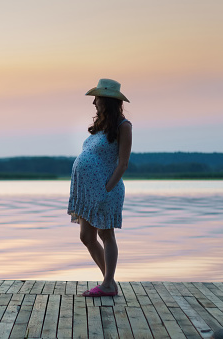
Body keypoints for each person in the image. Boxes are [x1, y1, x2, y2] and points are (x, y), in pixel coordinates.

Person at [67, 78, 132, 297]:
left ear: (107, 101)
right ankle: (110, 282)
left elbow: (123, 163)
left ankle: (107, 284)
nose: (94, 102)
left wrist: (107, 189)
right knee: (86, 236)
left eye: (97, 98)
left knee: (106, 234)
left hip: (106, 189)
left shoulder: (124, 126)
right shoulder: (101, 126)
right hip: (87, 192)